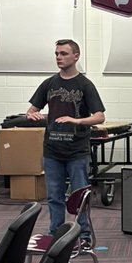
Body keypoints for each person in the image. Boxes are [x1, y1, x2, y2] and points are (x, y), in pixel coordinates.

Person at [26, 39, 105, 252]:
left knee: (80, 196)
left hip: (77, 150)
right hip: (52, 149)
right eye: (56, 54)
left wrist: (77, 121)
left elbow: (99, 117)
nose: (59, 57)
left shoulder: (85, 85)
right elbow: (31, 109)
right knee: (54, 196)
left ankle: (84, 234)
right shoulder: (49, 84)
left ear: (75, 56)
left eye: (63, 53)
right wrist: (34, 115)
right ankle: (56, 233)